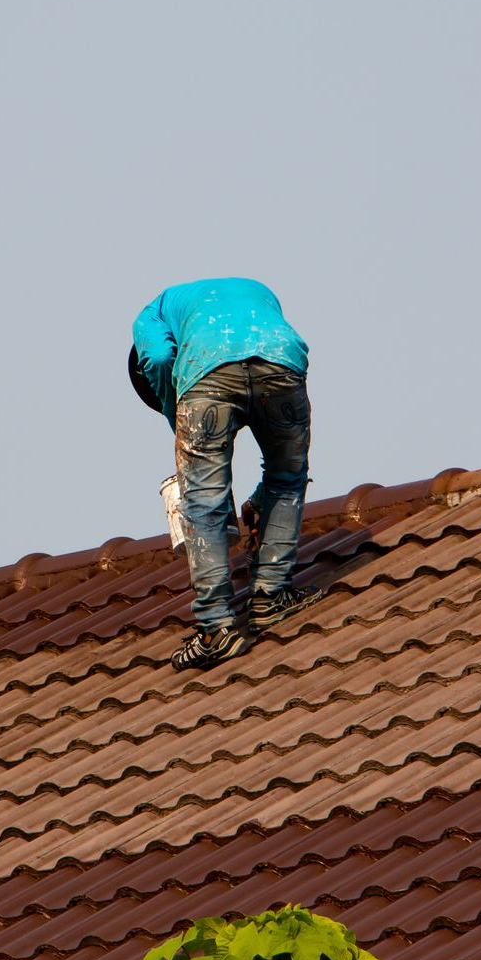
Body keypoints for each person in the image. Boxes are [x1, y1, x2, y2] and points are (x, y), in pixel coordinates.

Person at [130, 277, 322, 669]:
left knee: (203, 501)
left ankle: (215, 629)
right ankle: (271, 595)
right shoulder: (255, 289)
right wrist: (258, 499)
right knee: (287, 477)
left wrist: (177, 414)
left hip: (206, 377)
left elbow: (162, 361)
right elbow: (251, 361)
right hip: (282, 363)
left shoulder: (149, 316)